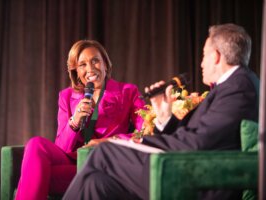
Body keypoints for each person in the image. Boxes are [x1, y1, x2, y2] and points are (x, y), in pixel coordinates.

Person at [63, 23, 259, 200]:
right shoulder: (233, 86)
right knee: (95, 184)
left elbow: (198, 143)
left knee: (104, 152)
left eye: (203, 55)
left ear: (215, 56)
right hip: (183, 165)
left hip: (196, 179)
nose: (201, 64)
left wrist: (141, 142)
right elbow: (200, 135)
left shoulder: (238, 88)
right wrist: (164, 115)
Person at [15, 40, 145, 199]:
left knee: (38, 176)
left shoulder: (128, 91)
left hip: (104, 164)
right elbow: (62, 147)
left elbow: (145, 132)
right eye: (82, 64)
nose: (90, 68)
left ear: (105, 64)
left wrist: (108, 141)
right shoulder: (66, 96)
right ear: (75, 70)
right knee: (36, 144)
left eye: (95, 60)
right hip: (74, 162)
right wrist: (74, 121)